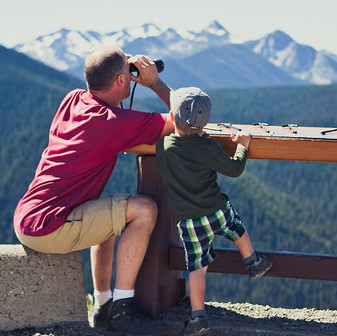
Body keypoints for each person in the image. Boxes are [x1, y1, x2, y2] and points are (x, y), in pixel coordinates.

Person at [13, 46, 174, 334]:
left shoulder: (73, 99)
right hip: (49, 228)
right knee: (145, 210)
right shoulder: (113, 122)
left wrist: (120, 68)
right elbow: (187, 118)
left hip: (28, 215)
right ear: (121, 81)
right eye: (128, 71)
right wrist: (153, 82)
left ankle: (102, 307)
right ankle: (122, 314)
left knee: (110, 212)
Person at [156, 87, 273, 336]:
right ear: (204, 123)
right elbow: (234, 169)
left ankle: (198, 318)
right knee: (236, 228)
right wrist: (242, 145)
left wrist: (193, 135)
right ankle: (253, 262)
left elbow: (179, 147)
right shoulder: (207, 147)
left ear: (172, 117)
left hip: (188, 221)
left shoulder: (162, 146)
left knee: (196, 267)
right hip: (216, 209)